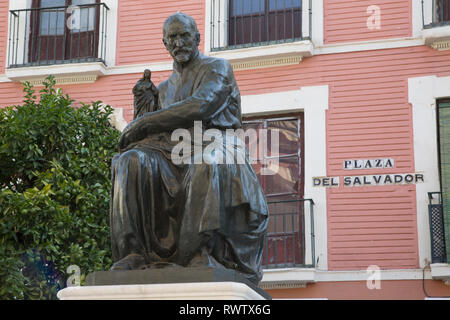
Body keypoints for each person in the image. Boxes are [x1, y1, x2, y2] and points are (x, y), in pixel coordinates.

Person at [109, 12, 268, 285]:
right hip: (174, 149)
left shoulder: (218, 67)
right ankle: (134, 251)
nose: (179, 42)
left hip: (218, 142)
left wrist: (145, 121)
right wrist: (144, 108)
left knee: (206, 161)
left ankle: (196, 251)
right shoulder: (164, 88)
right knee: (131, 160)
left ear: (197, 37)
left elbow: (201, 106)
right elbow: (151, 133)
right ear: (164, 43)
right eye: (173, 37)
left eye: (184, 35)